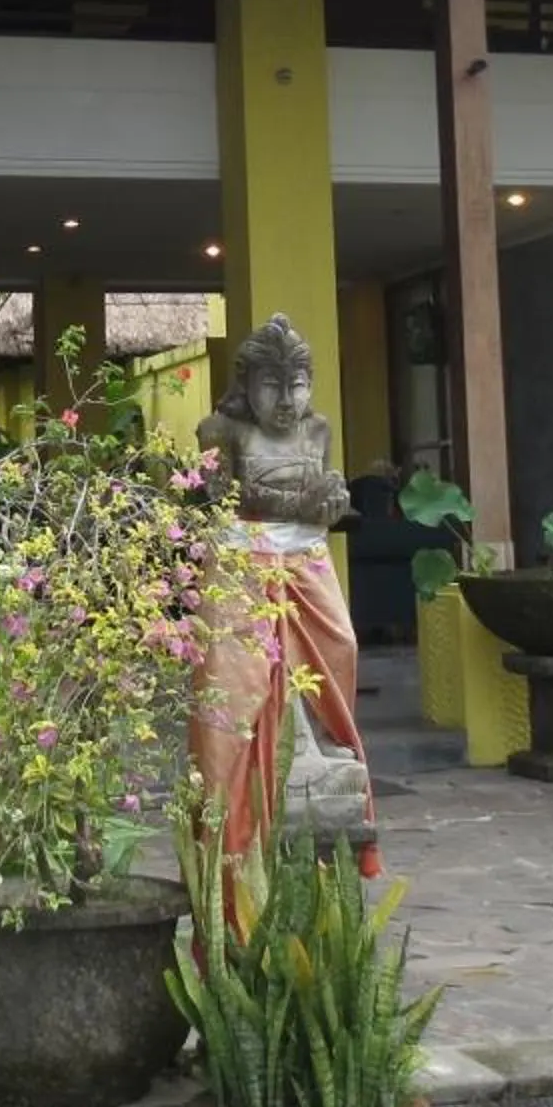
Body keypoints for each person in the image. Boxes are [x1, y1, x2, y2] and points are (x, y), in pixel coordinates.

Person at [189, 314, 381, 878]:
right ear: (246, 386)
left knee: (336, 645)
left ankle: (317, 748)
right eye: (273, 385)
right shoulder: (220, 431)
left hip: (305, 557)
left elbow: (327, 489)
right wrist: (295, 502)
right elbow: (218, 497)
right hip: (242, 562)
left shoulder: (317, 430)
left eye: (298, 384)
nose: (287, 399)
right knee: (240, 679)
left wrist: (330, 499)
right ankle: (240, 792)